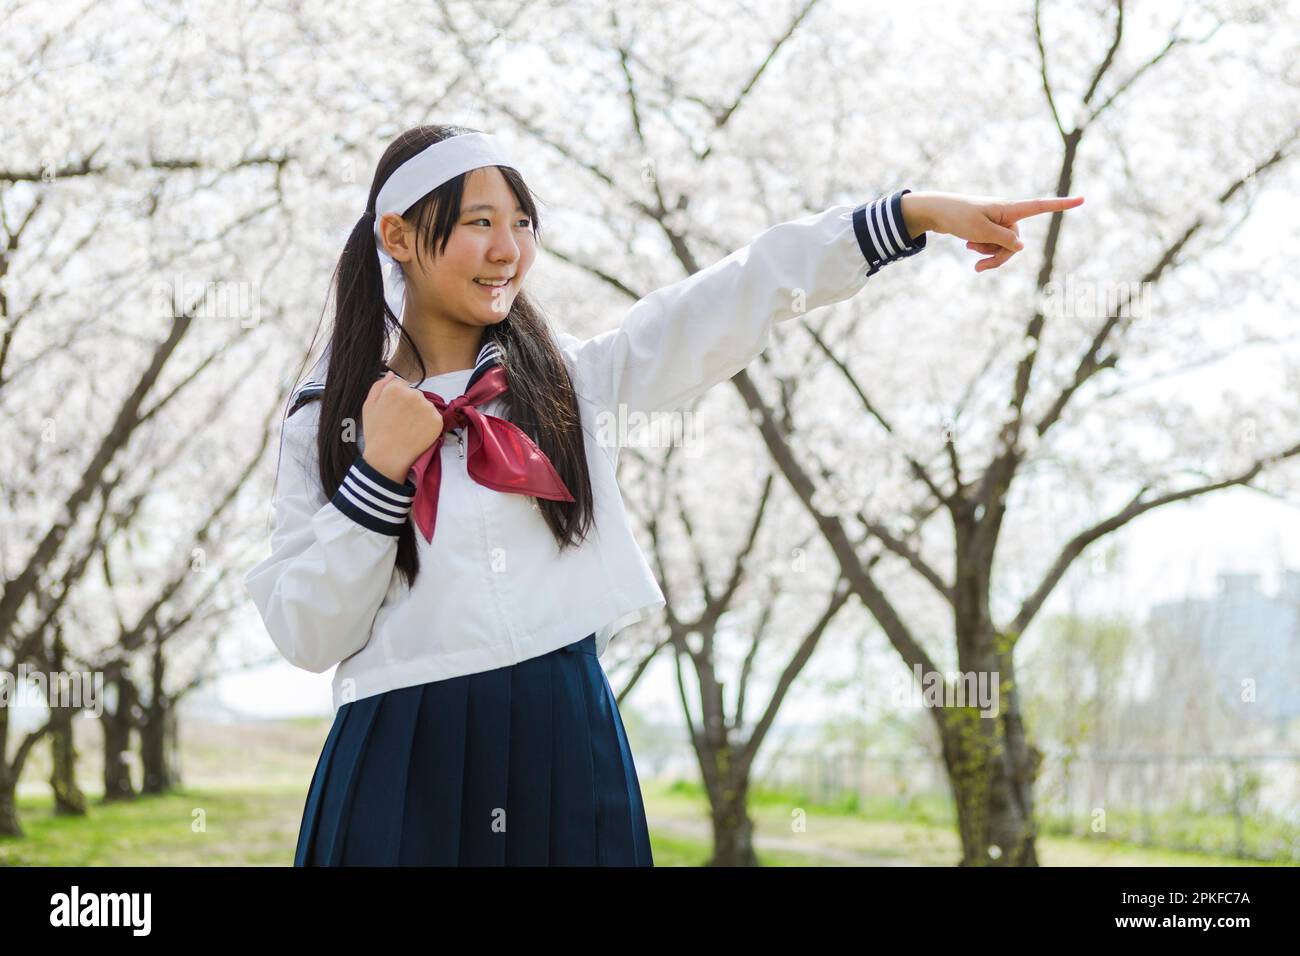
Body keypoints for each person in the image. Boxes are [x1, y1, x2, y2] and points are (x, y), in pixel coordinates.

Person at [242, 123, 1083, 866]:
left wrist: (911, 215)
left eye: (523, 224)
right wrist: (375, 481)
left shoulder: (569, 383)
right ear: (397, 235)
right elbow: (306, 631)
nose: (509, 250)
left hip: (560, 740)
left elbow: (733, 296)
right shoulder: (330, 418)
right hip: (401, 754)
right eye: (479, 224)